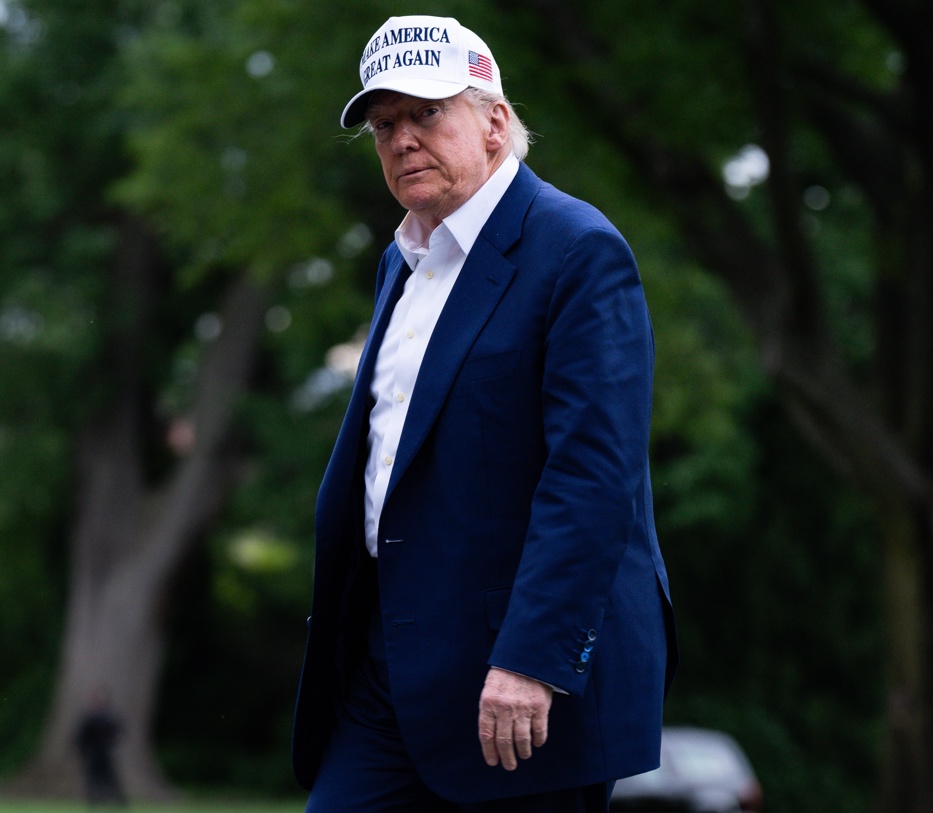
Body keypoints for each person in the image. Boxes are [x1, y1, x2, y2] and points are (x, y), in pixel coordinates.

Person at [291, 14, 677, 813]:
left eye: (427, 113)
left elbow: (593, 476)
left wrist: (532, 659)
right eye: (384, 123)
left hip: (521, 679)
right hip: (388, 667)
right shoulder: (402, 263)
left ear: (494, 122)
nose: (401, 139)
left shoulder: (577, 250)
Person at [74, 689, 125, 807]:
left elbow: (118, 731)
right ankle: (95, 802)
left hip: (105, 753)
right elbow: (81, 737)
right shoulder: (89, 719)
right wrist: (84, 752)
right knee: (93, 779)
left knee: (111, 779)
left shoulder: (109, 718)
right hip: (93, 753)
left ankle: (118, 802)